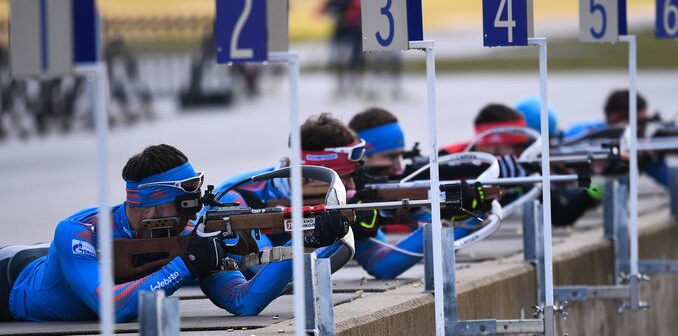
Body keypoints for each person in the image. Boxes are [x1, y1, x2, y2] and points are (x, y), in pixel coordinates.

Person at [1, 144, 347, 322]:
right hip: (11, 277)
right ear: (151, 206)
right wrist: (186, 264)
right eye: (184, 205)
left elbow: (244, 302)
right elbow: (110, 308)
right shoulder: (78, 231)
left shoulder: (192, 231)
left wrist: (301, 243)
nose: (194, 214)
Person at [347, 108, 487, 279]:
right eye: (390, 157)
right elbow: (383, 266)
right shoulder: (346, 196)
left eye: (401, 156)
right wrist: (472, 219)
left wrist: (463, 215)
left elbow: (440, 247)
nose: (399, 167)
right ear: (362, 157)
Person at [216, 114, 358, 272]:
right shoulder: (235, 194)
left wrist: (362, 231)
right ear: (311, 176)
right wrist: (312, 243)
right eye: (344, 179)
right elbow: (262, 269)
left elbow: (382, 263)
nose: (352, 186)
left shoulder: (335, 198)